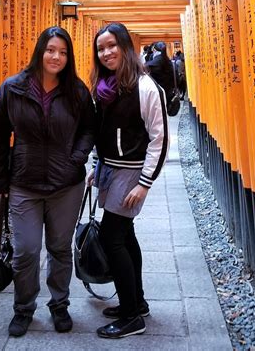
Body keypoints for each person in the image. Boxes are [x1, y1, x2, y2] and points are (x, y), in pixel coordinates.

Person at [0, 26, 95, 338]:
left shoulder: (77, 91)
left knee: (60, 247)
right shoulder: (13, 88)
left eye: (63, 52)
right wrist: (2, 179)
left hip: (67, 185)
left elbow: (90, 129)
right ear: (40, 50)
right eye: (51, 50)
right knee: (26, 250)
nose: (56, 57)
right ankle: (23, 309)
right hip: (24, 182)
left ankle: (59, 304)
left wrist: (76, 158)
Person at [88, 22, 169, 339]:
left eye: (112, 45)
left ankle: (132, 316)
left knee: (112, 237)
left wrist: (144, 183)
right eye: (101, 48)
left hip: (132, 172)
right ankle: (137, 303)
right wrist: (98, 164)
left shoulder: (146, 88)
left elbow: (159, 140)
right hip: (112, 168)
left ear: (125, 47)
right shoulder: (107, 87)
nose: (106, 52)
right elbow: (103, 133)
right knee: (125, 234)